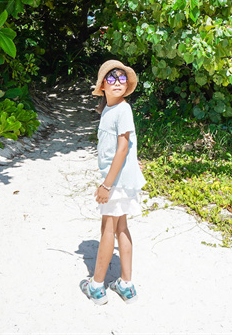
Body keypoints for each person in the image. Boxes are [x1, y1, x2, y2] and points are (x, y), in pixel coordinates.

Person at [79, 59, 147, 305]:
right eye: (111, 78)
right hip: (121, 178)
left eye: (121, 78)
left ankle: (96, 285)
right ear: (103, 86)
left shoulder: (122, 109)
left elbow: (122, 148)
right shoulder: (110, 110)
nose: (117, 82)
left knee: (108, 228)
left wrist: (106, 185)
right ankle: (126, 285)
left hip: (116, 181)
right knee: (120, 228)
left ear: (127, 84)